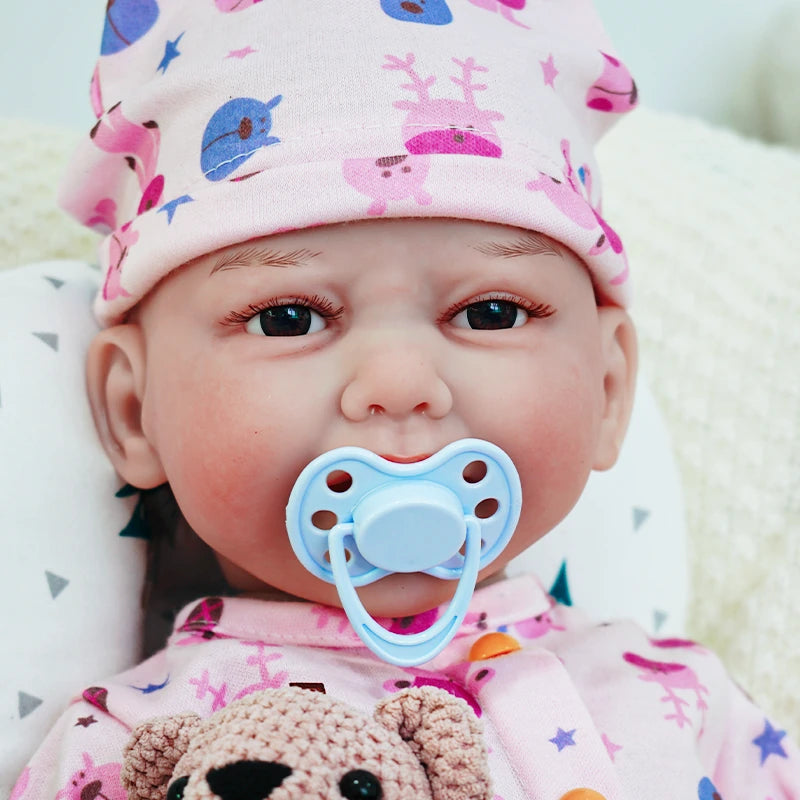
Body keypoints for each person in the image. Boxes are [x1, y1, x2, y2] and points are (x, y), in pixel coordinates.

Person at [12, 2, 798, 799]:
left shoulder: (691, 705)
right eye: (289, 319)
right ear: (132, 411)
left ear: (607, 387)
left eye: (492, 312)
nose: (400, 384)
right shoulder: (125, 748)